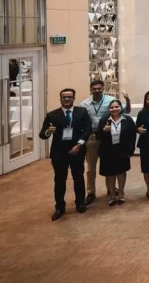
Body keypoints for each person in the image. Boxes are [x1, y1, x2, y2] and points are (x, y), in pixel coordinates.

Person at [39, 88, 91, 220]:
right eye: (64, 97)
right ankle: (59, 207)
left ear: (74, 98)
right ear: (60, 99)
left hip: (77, 150)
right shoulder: (52, 115)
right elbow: (42, 134)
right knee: (59, 180)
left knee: (78, 177)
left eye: (69, 97)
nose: (66, 99)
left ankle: (80, 203)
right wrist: (48, 132)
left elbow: (88, 129)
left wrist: (79, 144)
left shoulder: (82, 112)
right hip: (59, 153)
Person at [80, 80, 130, 205]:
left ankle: (110, 190)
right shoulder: (84, 104)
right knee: (91, 167)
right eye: (94, 88)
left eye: (99, 88)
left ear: (103, 88)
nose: (97, 90)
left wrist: (127, 99)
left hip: (108, 137)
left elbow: (126, 111)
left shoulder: (111, 100)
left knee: (109, 163)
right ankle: (91, 192)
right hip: (92, 136)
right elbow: (82, 121)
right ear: (90, 89)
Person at [96, 99, 136, 206]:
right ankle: (113, 195)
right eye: (112, 107)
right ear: (109, 109)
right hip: (107, 151)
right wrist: (104, 131)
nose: (114, 109)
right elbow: (98, 136)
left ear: (121, 108)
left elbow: (132, 135)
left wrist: (131, 150)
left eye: (117, 107)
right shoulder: (104, 120)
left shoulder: (127, 119)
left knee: (121, 172)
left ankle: (121, 193)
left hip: (123, 150)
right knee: (110, 174)